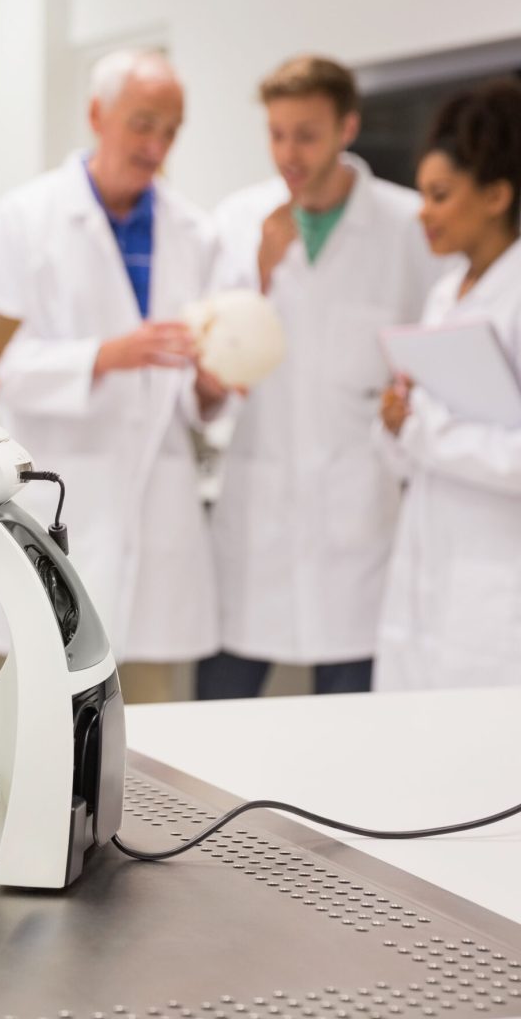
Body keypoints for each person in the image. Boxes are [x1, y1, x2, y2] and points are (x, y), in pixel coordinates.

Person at [0, 49, 227, 703]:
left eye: (171, 129)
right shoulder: (23, 219)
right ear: (96, 114)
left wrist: (211, 388)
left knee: (154, 727)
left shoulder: (195, 232)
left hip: (156, 505)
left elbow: (195, 391)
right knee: (37, 720)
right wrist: (104, 356)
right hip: (55, 491)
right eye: (142, 123)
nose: (156, 144)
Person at [199, 55, 442, 699]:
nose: (289, 153)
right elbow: (215, 362)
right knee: (220, 715)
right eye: (277, 134)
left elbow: (434, 354)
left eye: (306, 134)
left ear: (347, 127)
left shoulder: (408, 226)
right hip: (258, 514)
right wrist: (260, 271)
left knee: (353, 723)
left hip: (360, 520)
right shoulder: (236, 221)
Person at [375, 79, 521, 691]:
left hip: (495, 584)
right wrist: (395, 423)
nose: (423, 212)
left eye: (439, 195)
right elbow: (414, 446)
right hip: (427, 570)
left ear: (495, 195)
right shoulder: (443, 293)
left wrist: (422, 429)